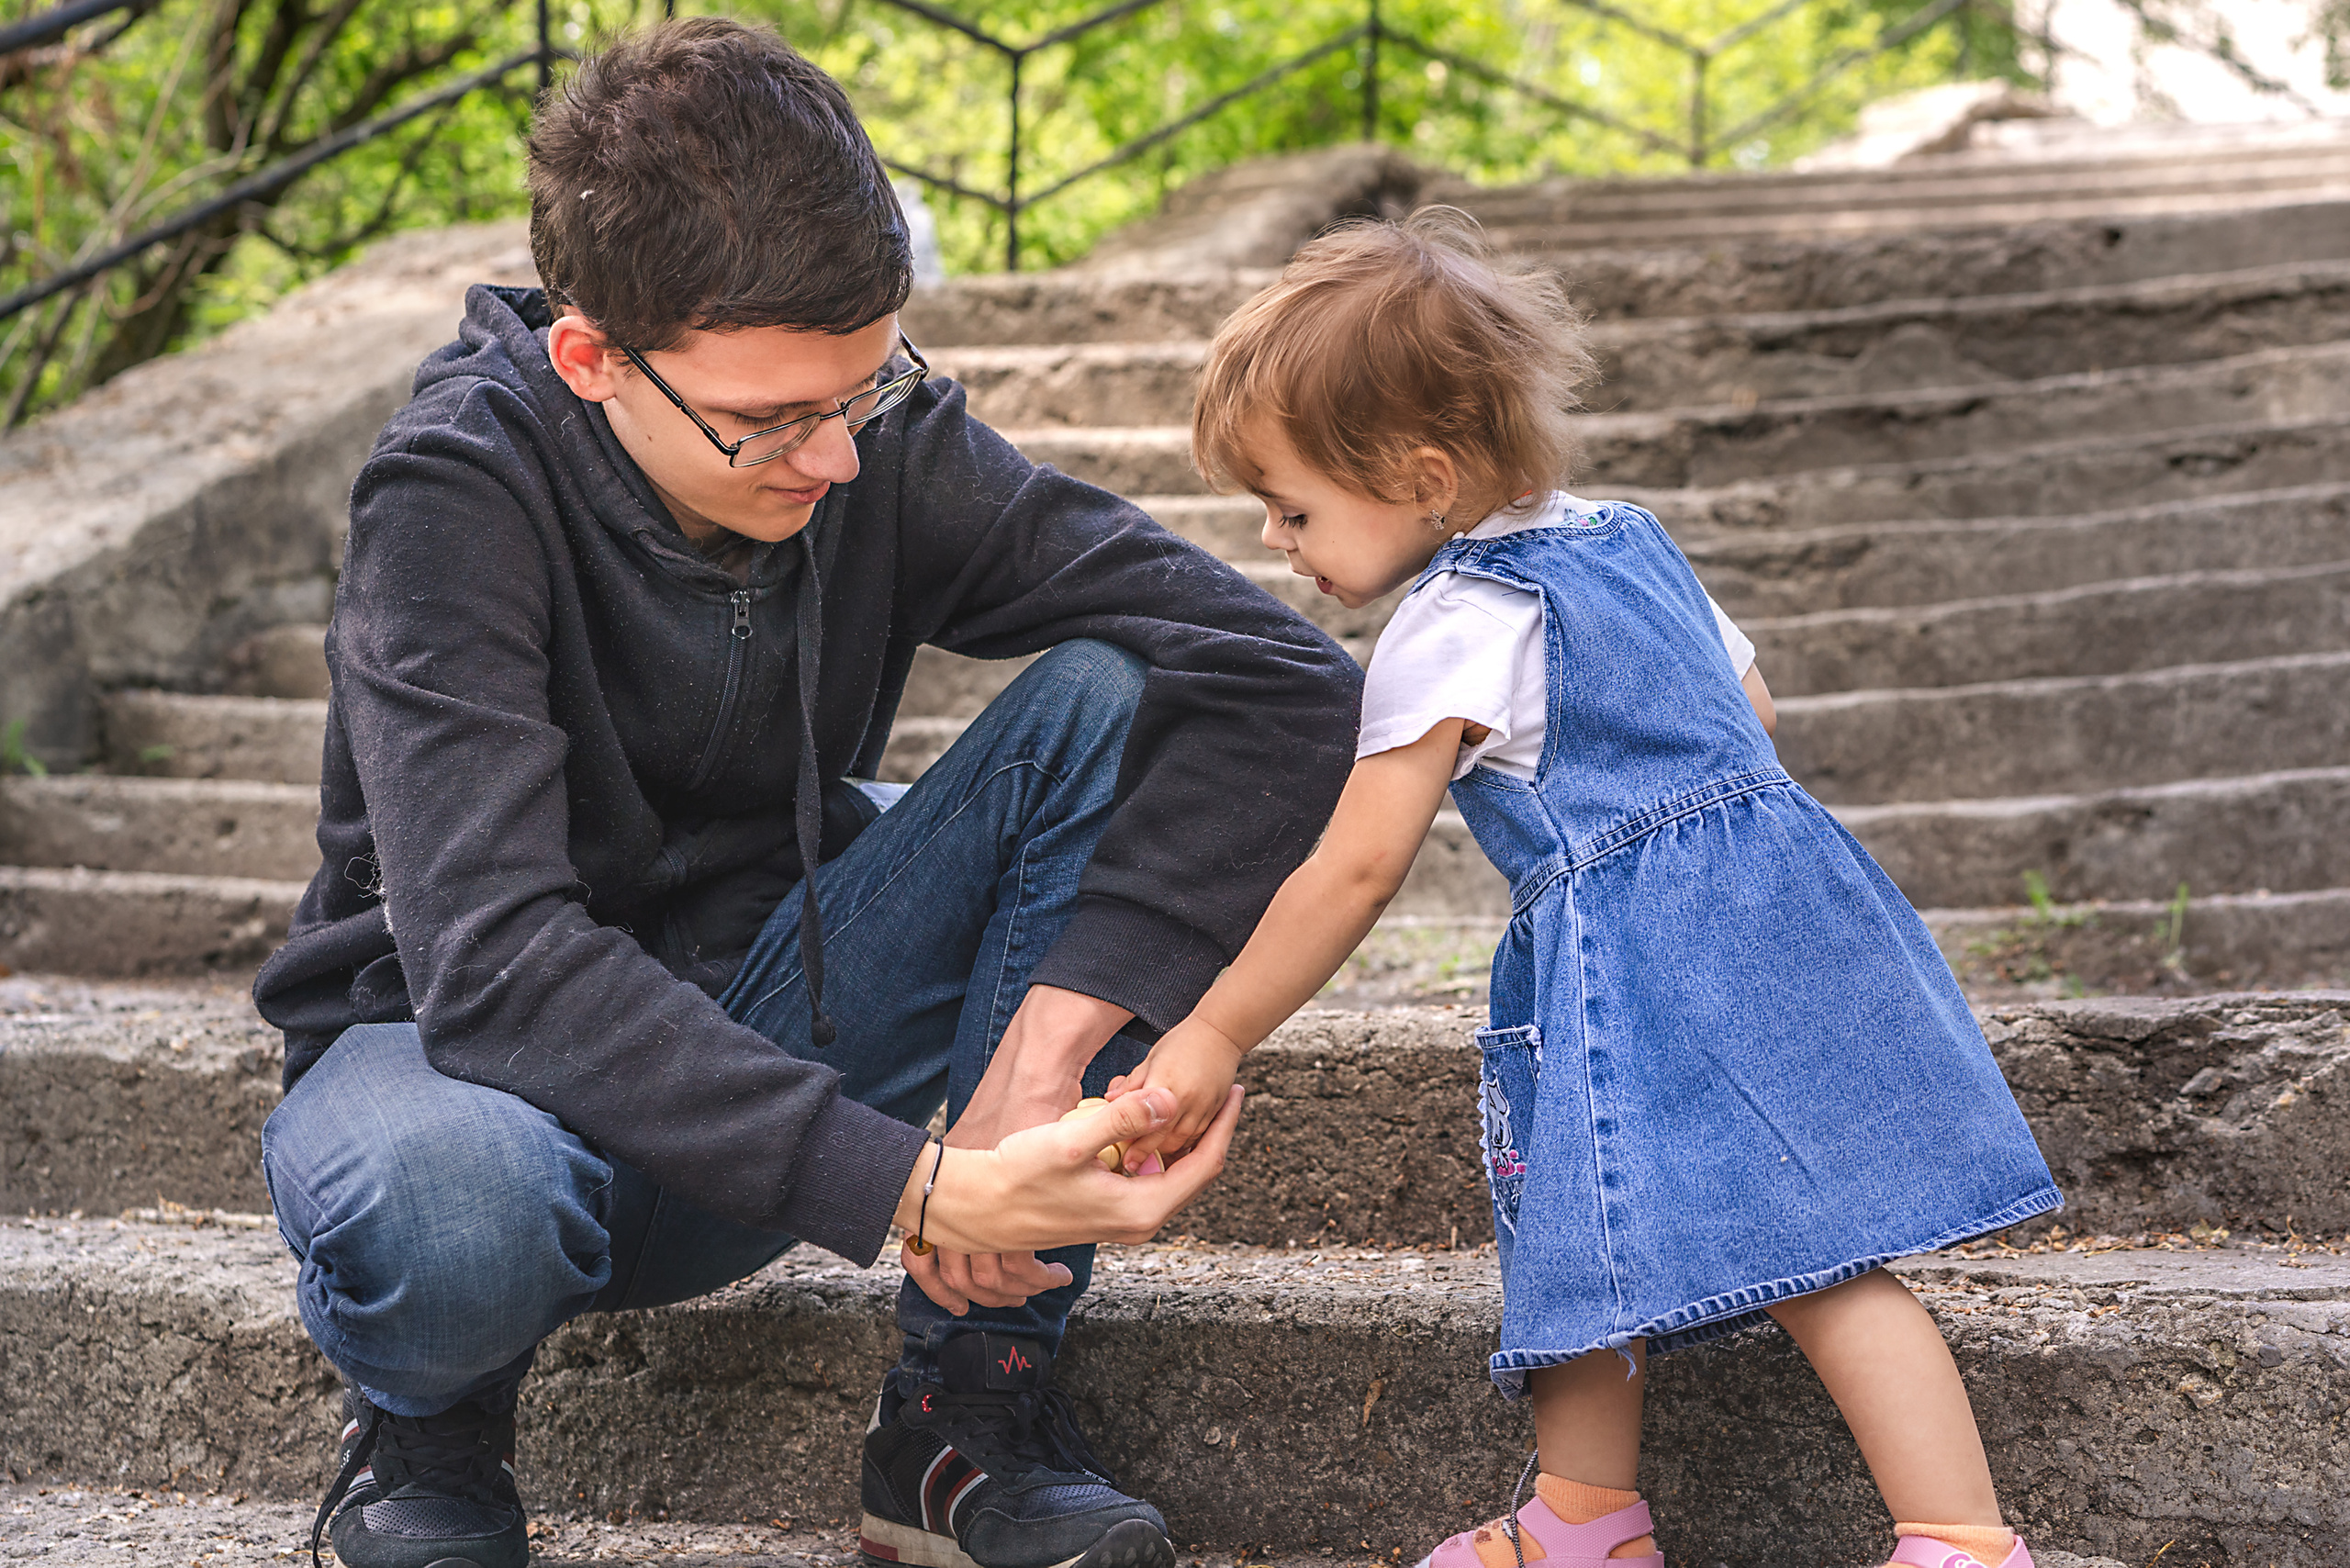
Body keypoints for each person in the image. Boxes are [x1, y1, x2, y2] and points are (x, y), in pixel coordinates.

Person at [250, 19, 1360, 1568]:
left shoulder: (870, 440)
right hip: (461, 1074)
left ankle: (964, 1415)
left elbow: (1279, 675)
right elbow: (494, 964)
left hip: (770, 1033)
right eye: (770, 419)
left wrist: (1042, 1061)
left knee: (1115, 694)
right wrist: (913, 1186)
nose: (833, 458)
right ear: (591, 358)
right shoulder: (455, 489)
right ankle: (427, 1439)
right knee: (450, 1205)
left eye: (861, 390)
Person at [1104, 211, 2064, 1568]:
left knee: (1778, 1249)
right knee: (1605, 1222)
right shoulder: (1631, 537)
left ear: (1424, 477)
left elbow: (1359, 863)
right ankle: (1592, 1518)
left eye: (1295, 507)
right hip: (1776, 908)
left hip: (1631, 954)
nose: (1276, 539)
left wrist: (1212, 1031)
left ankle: (1948, 1538)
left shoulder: (1457, 619)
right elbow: (1753, 715)